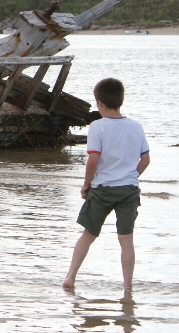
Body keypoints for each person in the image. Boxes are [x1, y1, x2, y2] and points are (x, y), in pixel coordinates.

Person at [63, 78, 150, 290]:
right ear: (120, 100)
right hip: (128, 190)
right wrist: (131, 177)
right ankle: (127, 286)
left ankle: (70, 277)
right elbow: (145, 160)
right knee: (126, 239)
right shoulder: (136, 126)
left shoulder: (97, 127)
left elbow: (93, 160)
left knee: (88, 235)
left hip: (101, 189)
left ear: (99, 103)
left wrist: (86, 184)